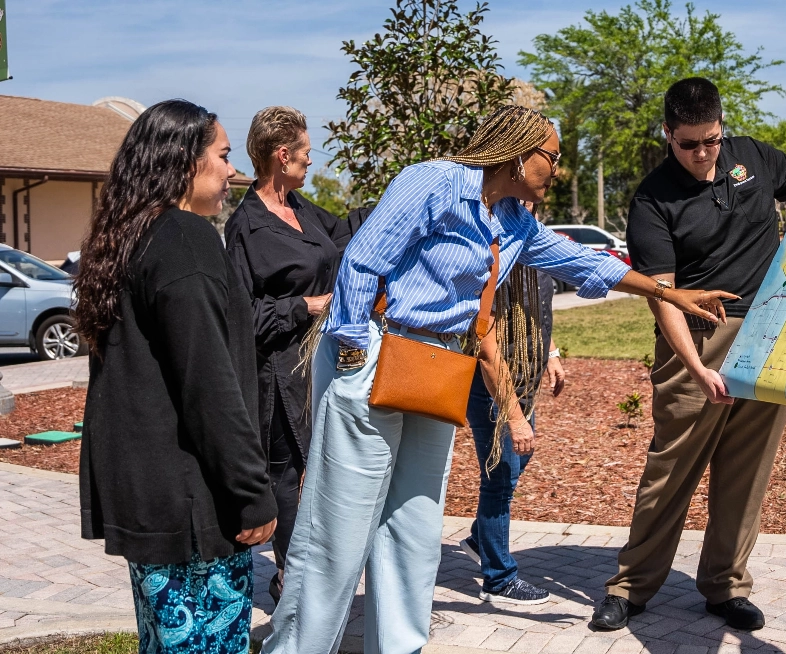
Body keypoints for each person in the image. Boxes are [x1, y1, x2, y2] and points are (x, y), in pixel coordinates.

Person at [262, 104, 736, 654]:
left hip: (436, 369)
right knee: (337, 532)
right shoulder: (434, 182)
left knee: (414, 530)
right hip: (371, 355)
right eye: (551, 159)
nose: (556, 171)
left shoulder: (514, 221)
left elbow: (584, 262)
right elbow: (363, 262)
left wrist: (669, 293)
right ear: (518, 152)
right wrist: (351, 350)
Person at [593, 77, 786, 632]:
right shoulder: (652, 198)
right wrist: (696, 367)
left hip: (766, 330)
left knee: (748, 468)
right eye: (688, 143)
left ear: (722, 127)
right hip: (696, 334)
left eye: (711, 140)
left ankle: (725, 585)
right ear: (667, 134)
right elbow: (662, 295)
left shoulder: (754, 158)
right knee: (672, 466)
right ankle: (631, 584)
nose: (702, 154)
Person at [75, 99, 277, 653]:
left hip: (154, 496)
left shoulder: (130, 234)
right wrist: (252, 493)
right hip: (192, 504)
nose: (233, 171)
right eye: (223, 155)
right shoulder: (185, 238)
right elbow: (209, 384)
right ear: (185, 160)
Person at [224, 106, 351, 602]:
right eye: (304, 152)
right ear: (282, 155)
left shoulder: (303, 209)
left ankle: (317, 569)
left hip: (325, 361)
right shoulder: (246, 228)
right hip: (277, 372)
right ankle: (293, 580)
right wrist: (303, 305)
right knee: (286, 473)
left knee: (326, 466)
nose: (310, 161)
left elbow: (345, 237)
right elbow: (241, 317)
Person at [459, 266, 564, 604]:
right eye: (525, 206)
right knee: (500, 477)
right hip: (490, 381)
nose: (530, 209)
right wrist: (514, 419)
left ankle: (480, 539)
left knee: (519, 457)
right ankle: (499, 579)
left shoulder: (533, 244)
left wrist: (551, 353)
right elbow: (487, 347)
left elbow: (537, 308)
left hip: (523, 376)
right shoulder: (493, 254)